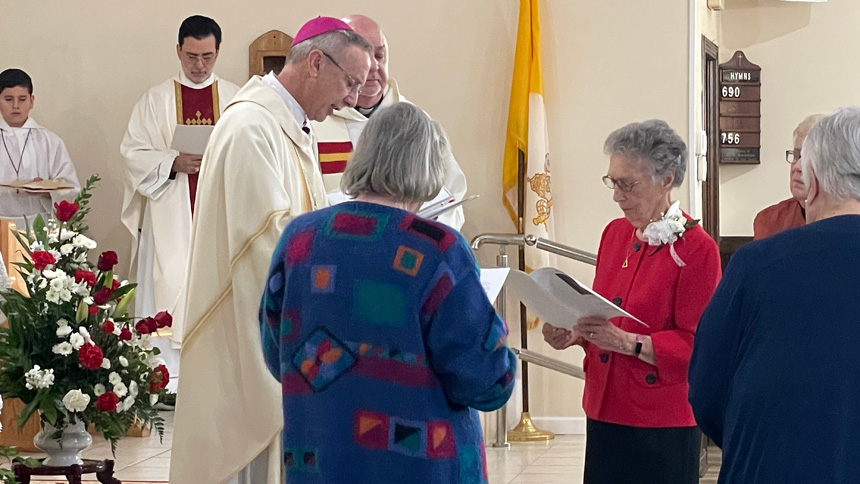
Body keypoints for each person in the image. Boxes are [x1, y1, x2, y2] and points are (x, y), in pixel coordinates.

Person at [259, 102, 515, 483]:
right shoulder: (437, 249)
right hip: (419, 464)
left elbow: (276, 350)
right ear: (431, 167)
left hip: (323, 455)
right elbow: (484, 380)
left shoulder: (299, 238)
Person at [169, 17, 372, 484]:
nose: (351, 99)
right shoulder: (250, 127)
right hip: (245, 344)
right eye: (350, 83)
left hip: (276, 333)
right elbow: (269, 247)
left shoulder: (288, 125)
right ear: (317, 62)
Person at [541, 120, 721, 483]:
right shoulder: (614, 234)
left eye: (627, 184)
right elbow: (600, 311)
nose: (617, 195)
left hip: (661, 419)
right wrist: (575, 331)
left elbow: (698, 345)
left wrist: (628, 343)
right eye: (612, 182)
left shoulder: (698, 249)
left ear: (666, 179)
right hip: (604, 406)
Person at [690, 106, 860, 483]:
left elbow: (706, 386)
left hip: (772, 465)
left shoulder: (756, 264)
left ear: (812, 182)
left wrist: (756, 442)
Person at [119, 15, 240, 355]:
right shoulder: (155, 100)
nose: (199, 66)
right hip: (170, 214)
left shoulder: (236, 99)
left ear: (217, 52)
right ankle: (165, 374)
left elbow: (252, 152)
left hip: (220, 213)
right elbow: (132, 152)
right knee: (169, 281)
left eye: (207, 57)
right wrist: (171, 163)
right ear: (178, 50)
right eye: (191, 56)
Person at [312, 14, 467, 230]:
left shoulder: (414, 124)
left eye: (380, 55)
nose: (374, 66)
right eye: (364, 55)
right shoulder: (316, 121)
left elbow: (452, 198)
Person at [0, 68, 80, 226]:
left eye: (22, 99)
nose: (16, 105)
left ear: (31, 101)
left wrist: (46, 188)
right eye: (8, 99)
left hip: (38, 224)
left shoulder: (49, 141)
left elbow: (71, 187)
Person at [753, 114, 825, 239]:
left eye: (808, 158)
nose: (797, 167)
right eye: (796, 155)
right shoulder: (770, 221)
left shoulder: (848, 217)